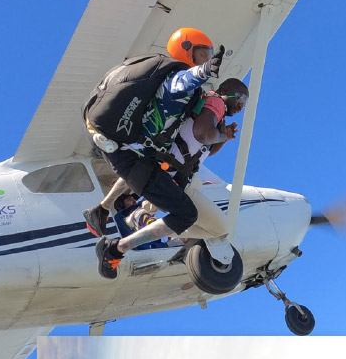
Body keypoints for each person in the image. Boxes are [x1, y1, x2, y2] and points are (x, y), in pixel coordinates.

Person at [82, 28, 234, 280]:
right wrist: (203, 72)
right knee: (186, 214)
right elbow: (180, 84)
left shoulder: (164, 82)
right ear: (186, 51)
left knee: (152, 169)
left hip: (133, 153)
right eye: (202, 53)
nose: (206, 58)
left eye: (208, 55)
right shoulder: (177, 81)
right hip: (131, 158)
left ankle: (102, 209)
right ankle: (115, 250)